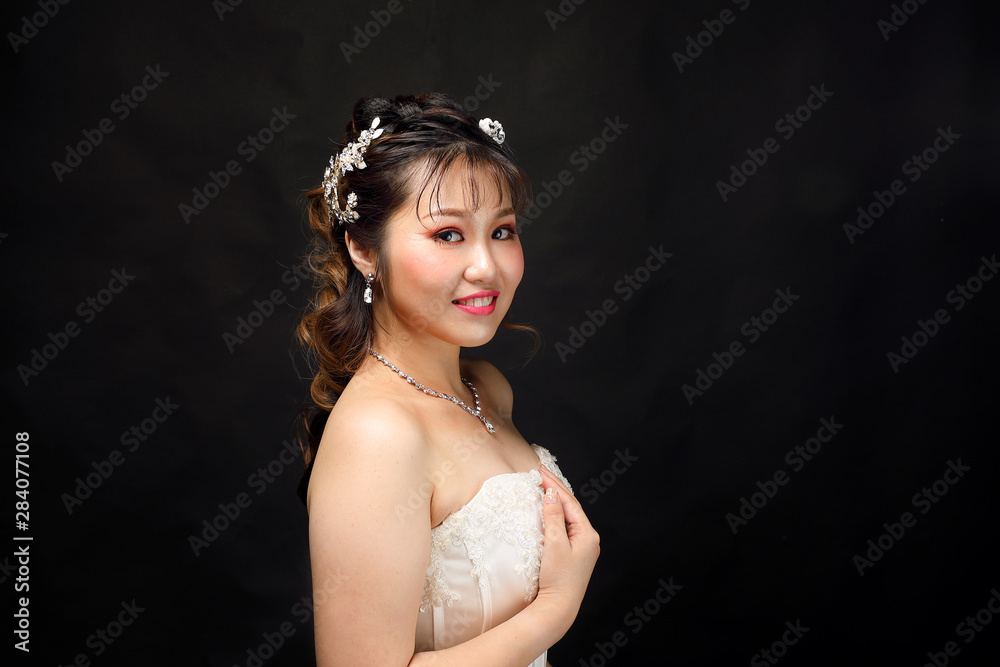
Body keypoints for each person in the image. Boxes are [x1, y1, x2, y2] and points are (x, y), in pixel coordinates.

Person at [295, 93, 599, 667]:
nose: (486, 266)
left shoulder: (487, 388)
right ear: (363, 248)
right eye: (448, 235)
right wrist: (556, 607)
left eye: (503, 230)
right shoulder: (378, 434)